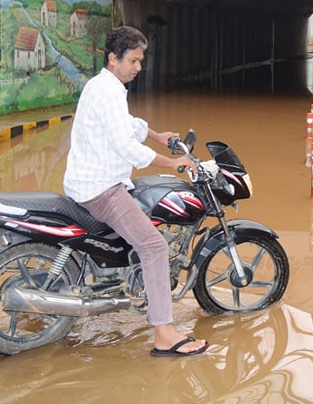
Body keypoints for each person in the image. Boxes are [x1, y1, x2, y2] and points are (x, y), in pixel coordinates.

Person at [62, 26, 209, 357]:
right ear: (113, 58)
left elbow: (124, 123)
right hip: (102, 189)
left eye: (141, 60)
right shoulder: (109, 92)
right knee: (155, 247)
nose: (138, 67)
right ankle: (165, 333)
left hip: (89, 181)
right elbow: (126, 147)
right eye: (133, 60)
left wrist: (156, 135)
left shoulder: (102, 86)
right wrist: (172, 164)